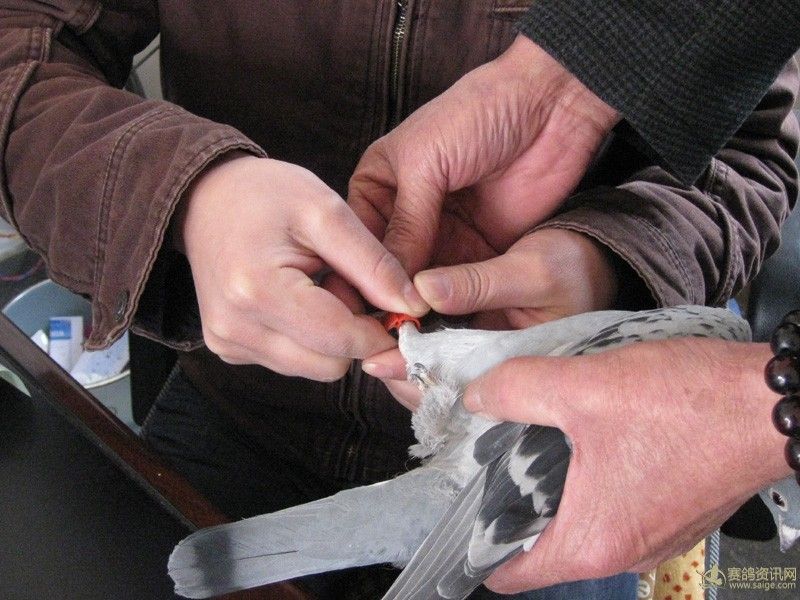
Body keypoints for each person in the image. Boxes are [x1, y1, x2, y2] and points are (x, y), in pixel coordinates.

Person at [0, 2, 796, 599]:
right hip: (236, 415)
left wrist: (606, 265)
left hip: (573, 462)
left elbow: (754, 146)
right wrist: (187, 197)